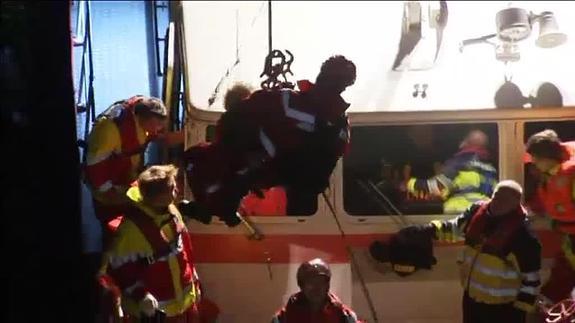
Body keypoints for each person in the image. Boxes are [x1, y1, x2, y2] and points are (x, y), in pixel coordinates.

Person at [184, 55, 356, 222]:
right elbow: (341, 150)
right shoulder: (341, 122)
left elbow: (242, 111)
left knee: (196, 156)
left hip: (273, 166)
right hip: (304, 179)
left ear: (322, 76)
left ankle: (214, 206)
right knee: (241, 169)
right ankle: (224, 203)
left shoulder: (288, 101)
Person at [378, 180, 542, 322]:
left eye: (504, 200)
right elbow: (455, 228)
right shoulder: (478, 212)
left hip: (503, 308)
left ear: (516, 203)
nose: (498, 202)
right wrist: (427, 230)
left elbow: (531, 280)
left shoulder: (523, 236)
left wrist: (519, 311)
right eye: (496, 196)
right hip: (472, 298)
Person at [102, 164, 205, 322]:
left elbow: (185, 250)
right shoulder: (132, 230)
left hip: (184, 308)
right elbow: (119, 269)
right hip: (153, 315)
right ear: (157, 196)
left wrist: (195, 282)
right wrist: (141, 295)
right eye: (172, 188)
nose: (176, 192)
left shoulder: (172, 212)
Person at [85, 95, 184, 241]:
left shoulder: (143, 116)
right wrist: (114, 196)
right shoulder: (109, 130)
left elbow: (161, 137)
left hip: (127, 184)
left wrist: (183, 135)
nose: (159, 130)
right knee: (114, 235)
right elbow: (95, 170)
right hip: (108, 194)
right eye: (157, 126)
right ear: (146, 120)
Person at [524, 129, 575, 306]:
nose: (534, 164)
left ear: (547, 157)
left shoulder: (571, 175)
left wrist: (551, 224)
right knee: (557, 282)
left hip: (569, 235)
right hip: (569, 239)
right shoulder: (550, 174)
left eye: (536, 159)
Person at [405, 129, 498, 214]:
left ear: (466, 142)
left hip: (458, 216)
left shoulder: (458, 163)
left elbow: (436, 187)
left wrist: (410, 183)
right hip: (481, 216)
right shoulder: (490, 168)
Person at [271, 258, 364, 323]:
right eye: (311, 282)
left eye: (321, 282)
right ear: (302, 285)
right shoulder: (283, 317)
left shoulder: (344, 315)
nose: (317, 287)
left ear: (327, 285)